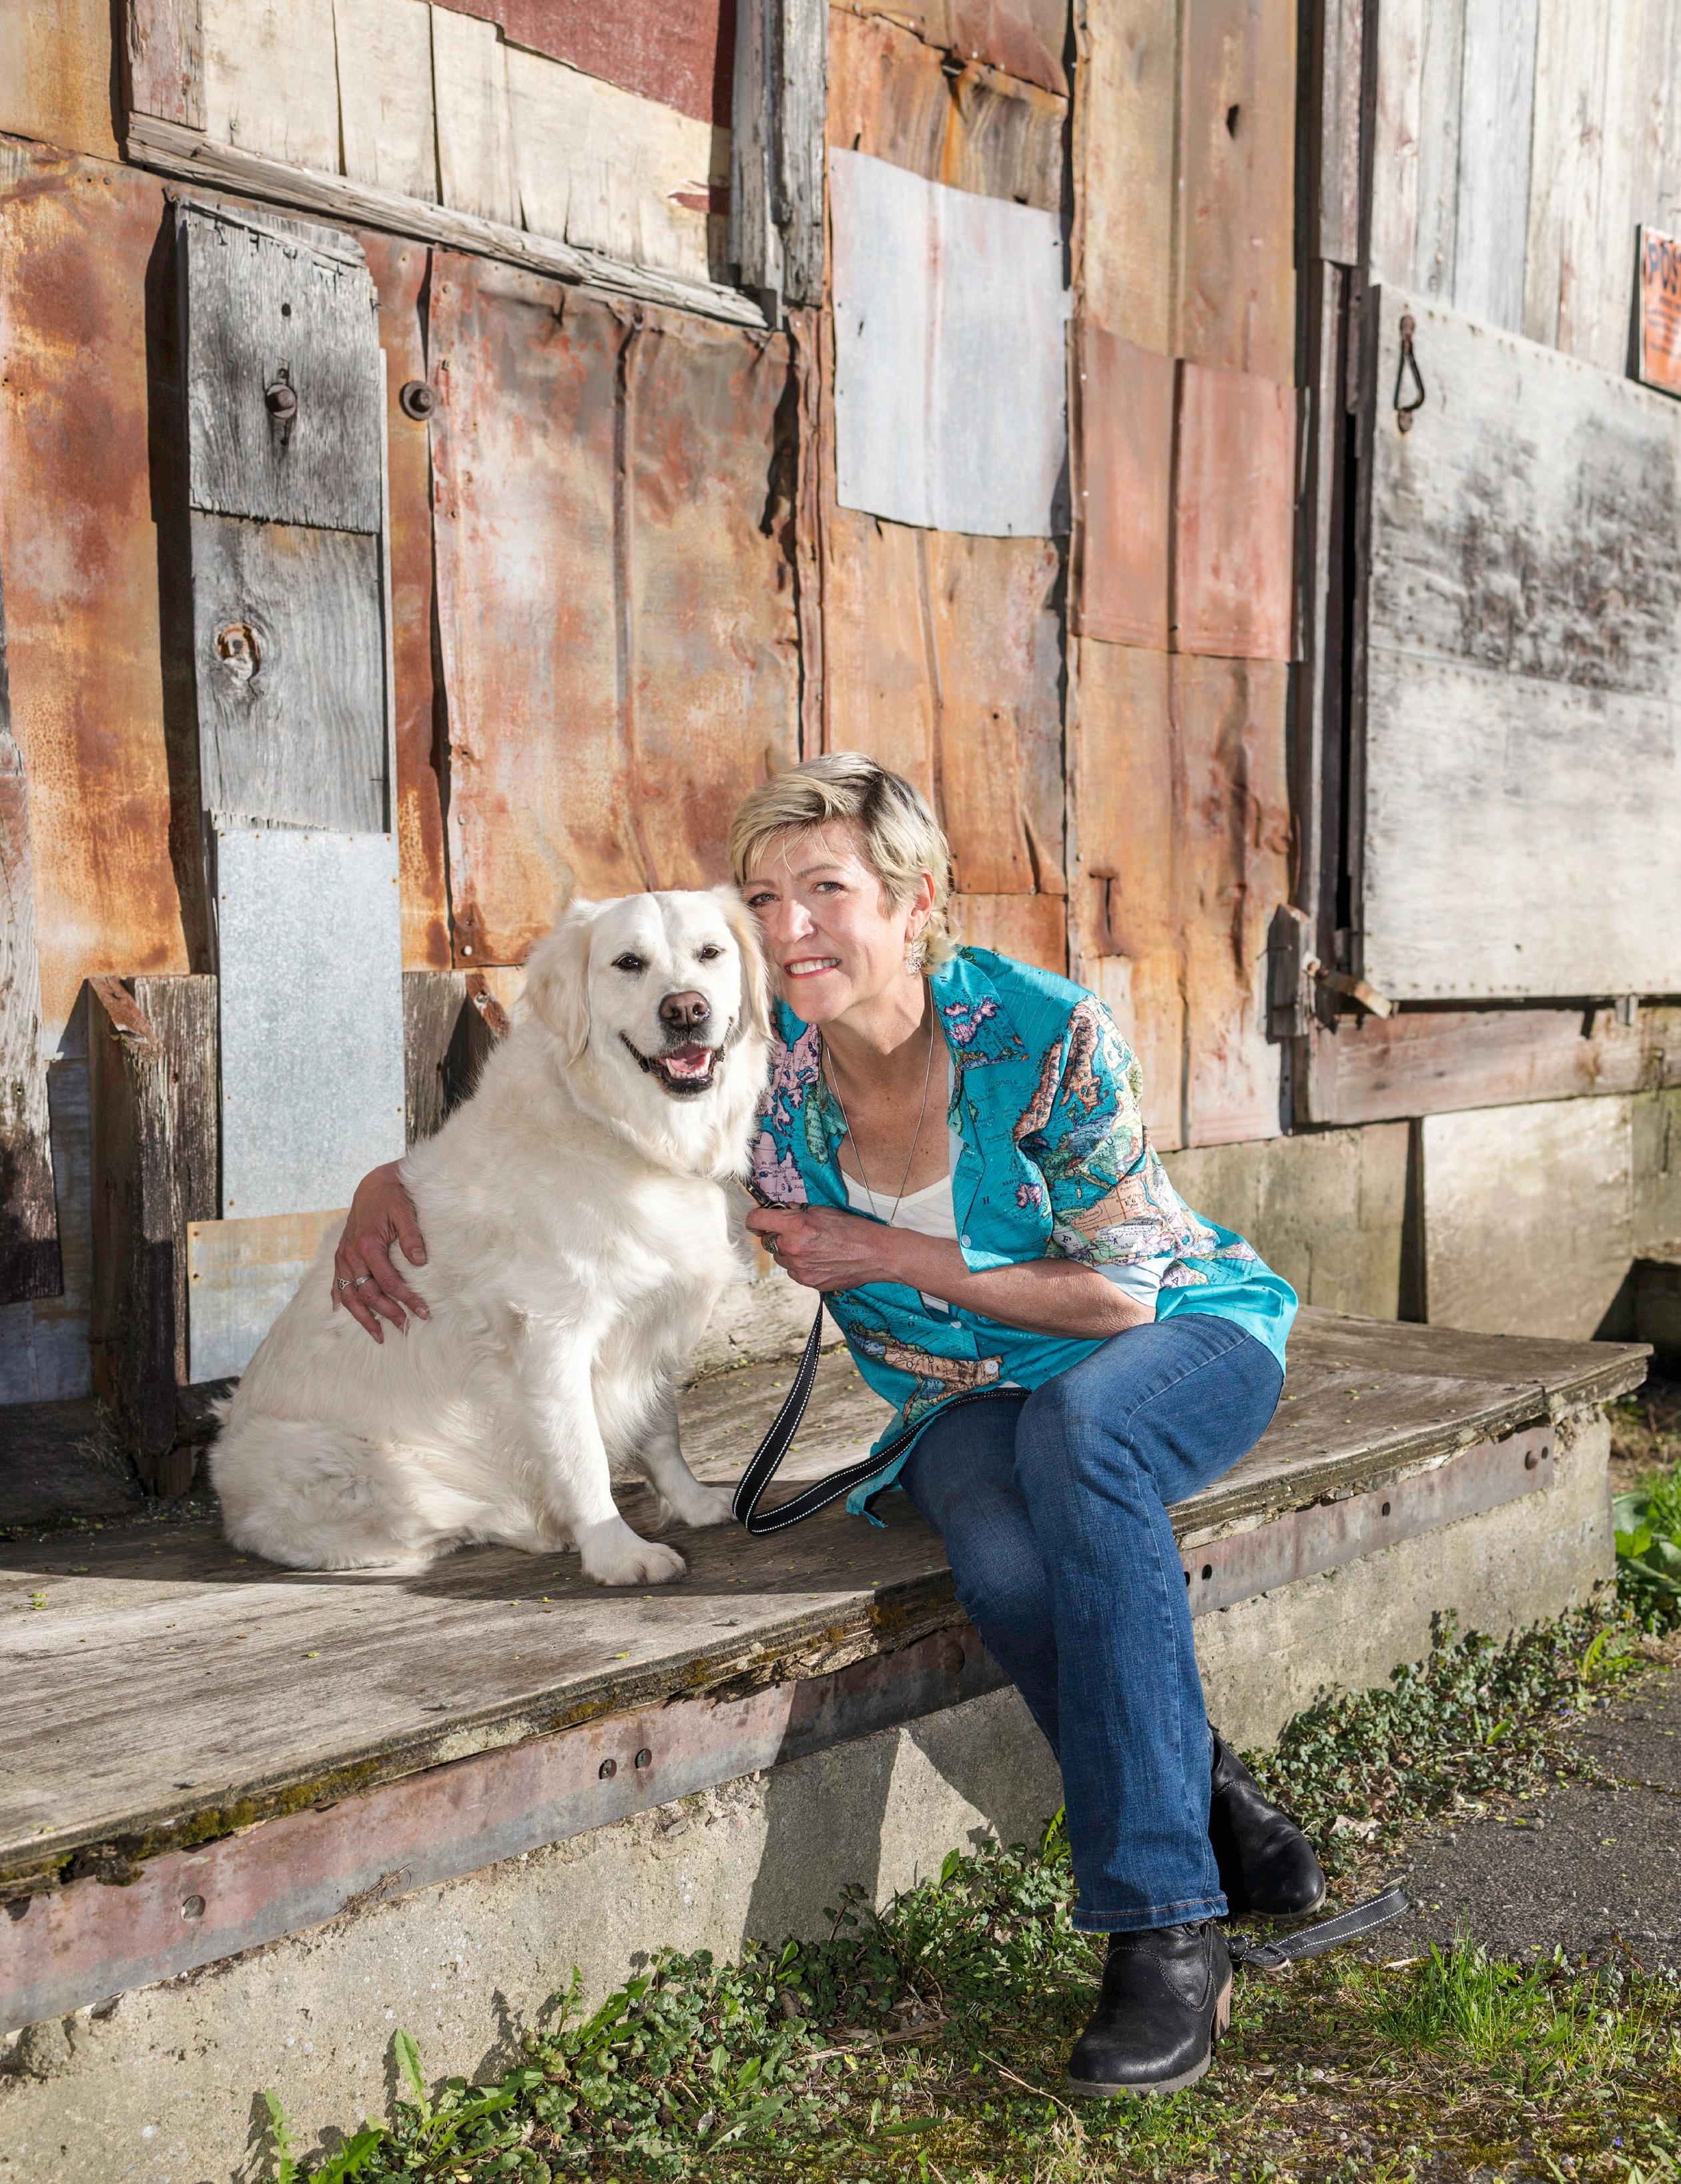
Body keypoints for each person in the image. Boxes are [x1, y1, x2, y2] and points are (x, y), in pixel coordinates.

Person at [332, 754, 1325, 2097]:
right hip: (966, 1393)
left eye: (826, 890)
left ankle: (1167, 1927)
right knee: (1006, 1562)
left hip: (1169, 1338)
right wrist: (390, 1184)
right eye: (763, 897)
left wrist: (885, 1252)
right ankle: (1206, 1793)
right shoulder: (765, 1080)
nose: (788, 926)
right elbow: (566, 1130)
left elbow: (1122, 1289)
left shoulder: (1047, 1032)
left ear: (916, 901)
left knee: (1078, 1439)